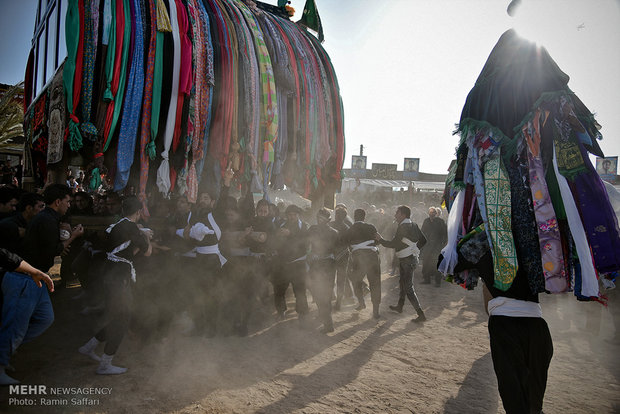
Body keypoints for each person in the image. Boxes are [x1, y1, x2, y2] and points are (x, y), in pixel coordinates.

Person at [78, 196, 152, 374]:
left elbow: (126, 251)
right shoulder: (133, 228)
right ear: (139, 212)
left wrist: (138, 234)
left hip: (110, 275)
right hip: (119, 278)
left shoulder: (117, 225)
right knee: (122, 319)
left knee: (118, 316)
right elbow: (147, 252)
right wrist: (145, 236)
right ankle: (105, 363)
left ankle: (89, 347)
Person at [0, 248, 54, 384]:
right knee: (15, 327)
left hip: (36, 276)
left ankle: (5, 352)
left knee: (45, 318)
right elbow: (5, 255)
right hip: (20, 277)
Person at [376, 205, 427, 322]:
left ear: (403, 215)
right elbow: (424, 240)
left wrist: (380, 239)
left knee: (408, 288)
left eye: (397, 213)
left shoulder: (403, 227)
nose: (395, 215)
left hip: (406, 260)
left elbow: (393, 244)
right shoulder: (413, 225)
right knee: (403, 283)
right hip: (410, 258)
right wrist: (414, 249)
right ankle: (400, 306)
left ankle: (421, 314)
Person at [272, 204, 310, 322]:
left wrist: (290, 234)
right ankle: (280, 311)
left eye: (294, 215)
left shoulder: (304, 226)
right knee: (279, 289)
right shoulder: (280, 225)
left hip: (298, 264)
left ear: (298, 215)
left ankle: (302, 313)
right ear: (287, 216)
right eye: (289, 215)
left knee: (300, 290)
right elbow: (274, 241)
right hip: (282, 263)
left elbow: (305, 243)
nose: (292, 217)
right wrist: (277, 236)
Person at [343, 209, 381, 319]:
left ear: (354, 217)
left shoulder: (351, 229)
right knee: (375, 283)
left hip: (359, 258)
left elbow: (345, 243)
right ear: (364, 217)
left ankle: (361, 302)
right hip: (373, 257)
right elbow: (378, 241)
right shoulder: (371, 227)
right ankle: (375, 311)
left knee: (356, 280)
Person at [307, 208, 339, 333]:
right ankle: (324, 317)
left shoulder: (315, 229)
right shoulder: (333, 232)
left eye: (321, 218)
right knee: (323, 294)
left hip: (321, 266)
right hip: (327, 265)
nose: (319, 220)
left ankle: (328, 324)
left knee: (321, 294)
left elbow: (303, 241)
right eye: (318, 217)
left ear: (327, 220)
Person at [420, 207, 448, 286]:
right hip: (427, 245)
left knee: (436, 263)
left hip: (437, 246)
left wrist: (443, 243)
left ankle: (437, 282)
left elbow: (444, 233)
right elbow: (422, 232)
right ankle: (426, 279)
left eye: (433, 212)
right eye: (430, 212)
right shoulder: (426, 221)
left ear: (436, 214)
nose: (431, 214)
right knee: (426, 263)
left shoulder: (440, 222)